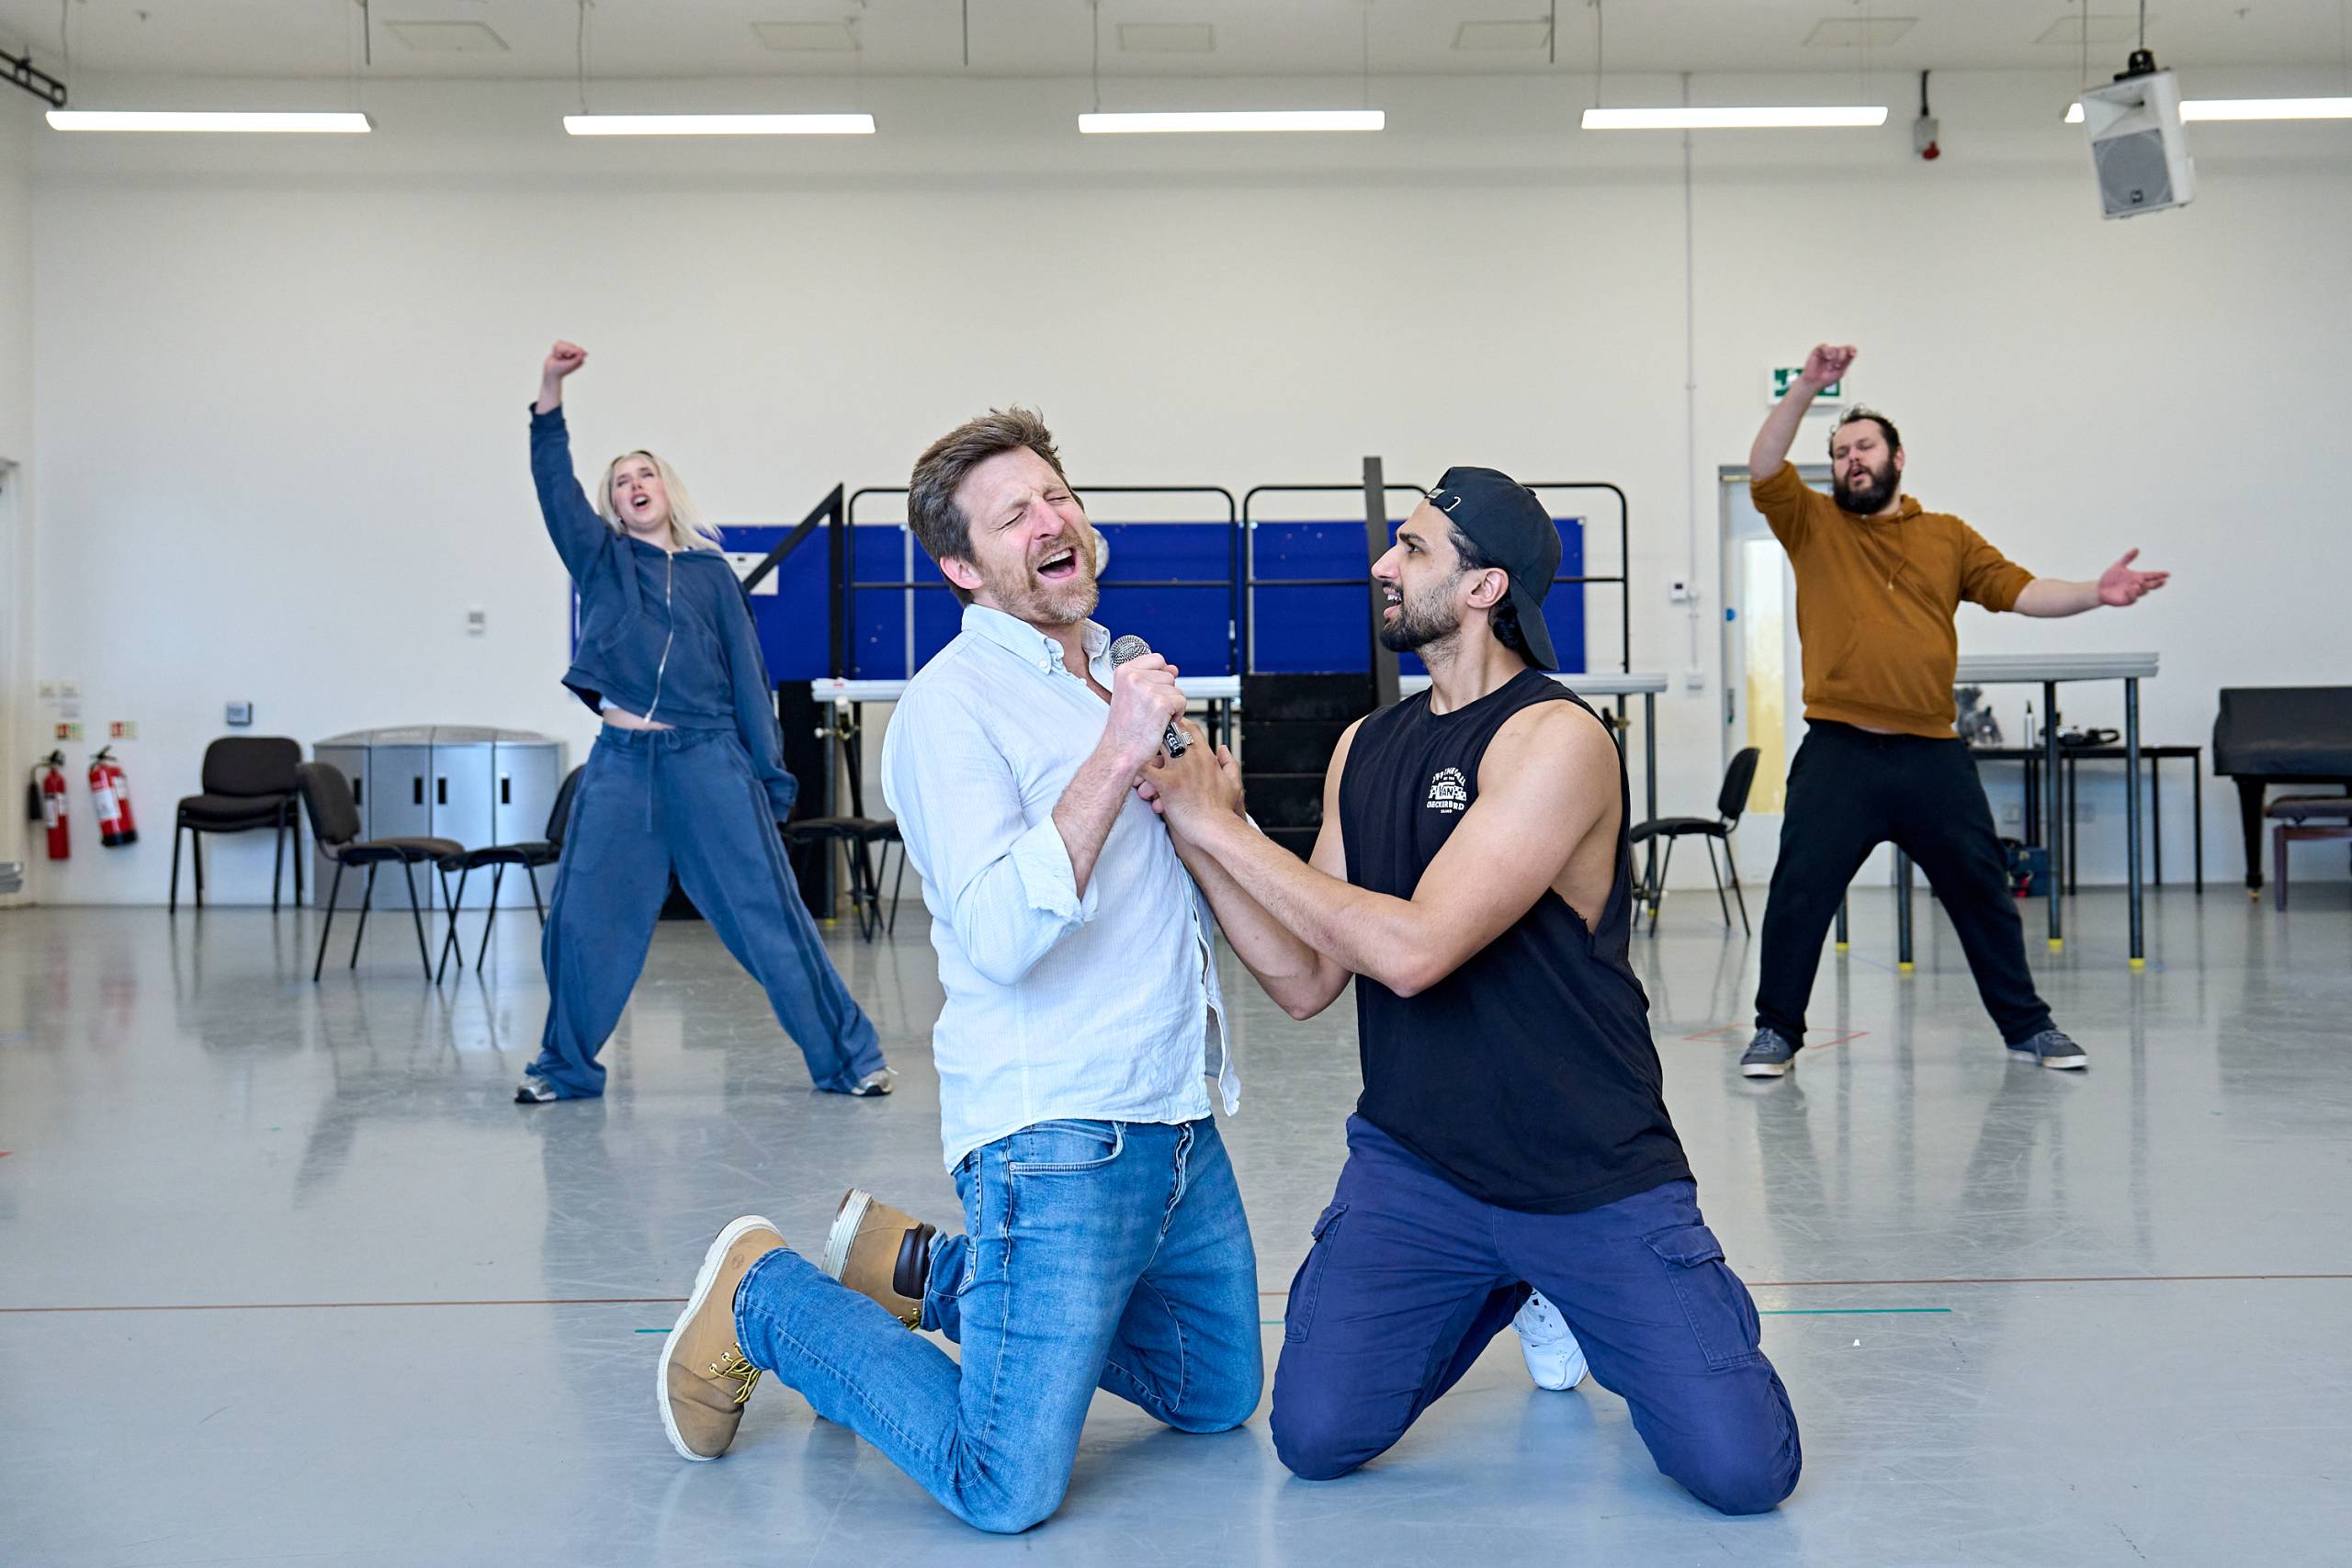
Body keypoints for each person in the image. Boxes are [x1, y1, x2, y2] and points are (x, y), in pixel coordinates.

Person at [656, 409, 1328, 1532]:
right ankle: (765, 1298)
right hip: (1052, 1134)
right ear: (961, 567)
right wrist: (1120, 752)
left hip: (1173, 1120)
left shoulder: (1114, 677)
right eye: (1014, 514)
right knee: (1002, 1483)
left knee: (1216, 1394)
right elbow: (1005, 932)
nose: (1051, 519)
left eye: (1056, 494)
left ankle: (916, 1268)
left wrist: (1197, 790)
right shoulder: (948, 711)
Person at [1135, 468, 1801, 1515]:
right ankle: (1504, 1283)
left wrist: (1227, 828)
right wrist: (1189, 823)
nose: (1381, 566)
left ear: (1485, 587)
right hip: (1419, 1169)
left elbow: (1413, 952)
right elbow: (1308, 978)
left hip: (1586, 1170)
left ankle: (1562, 1276)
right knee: (1315, 1437)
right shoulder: (1367, 745)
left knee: (1741, 1474)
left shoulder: (1557, 739)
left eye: (1411, 549)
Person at [1737, 344, 2169, 1080]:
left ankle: (2029, 1027)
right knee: (1800, 892)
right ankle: (1777, 1032)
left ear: (1898, 458)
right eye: (1840, 452)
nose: (1852, 460)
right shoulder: (1811, 523)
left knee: (1982, 890)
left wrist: (2098, 592)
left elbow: (2024, 590)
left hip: (1931, 752)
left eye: (1864, 446)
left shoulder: (1948, 537)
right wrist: (1810, 387)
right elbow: (1764, 467)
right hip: (1839, 749)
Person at [516, 340, 890, 1103]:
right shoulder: (600, 562)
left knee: (770, 918)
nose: (633, 485)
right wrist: (550, 395)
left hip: (709, 762)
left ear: (666, 489)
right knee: (584, 919)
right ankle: (564, 1069)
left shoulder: (712, 576)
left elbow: (750, 683)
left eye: (644, 473)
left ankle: (850, 1060)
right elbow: (555, 488)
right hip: (621, 766)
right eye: (620, 482)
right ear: (612, 506)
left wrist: (770, 780)